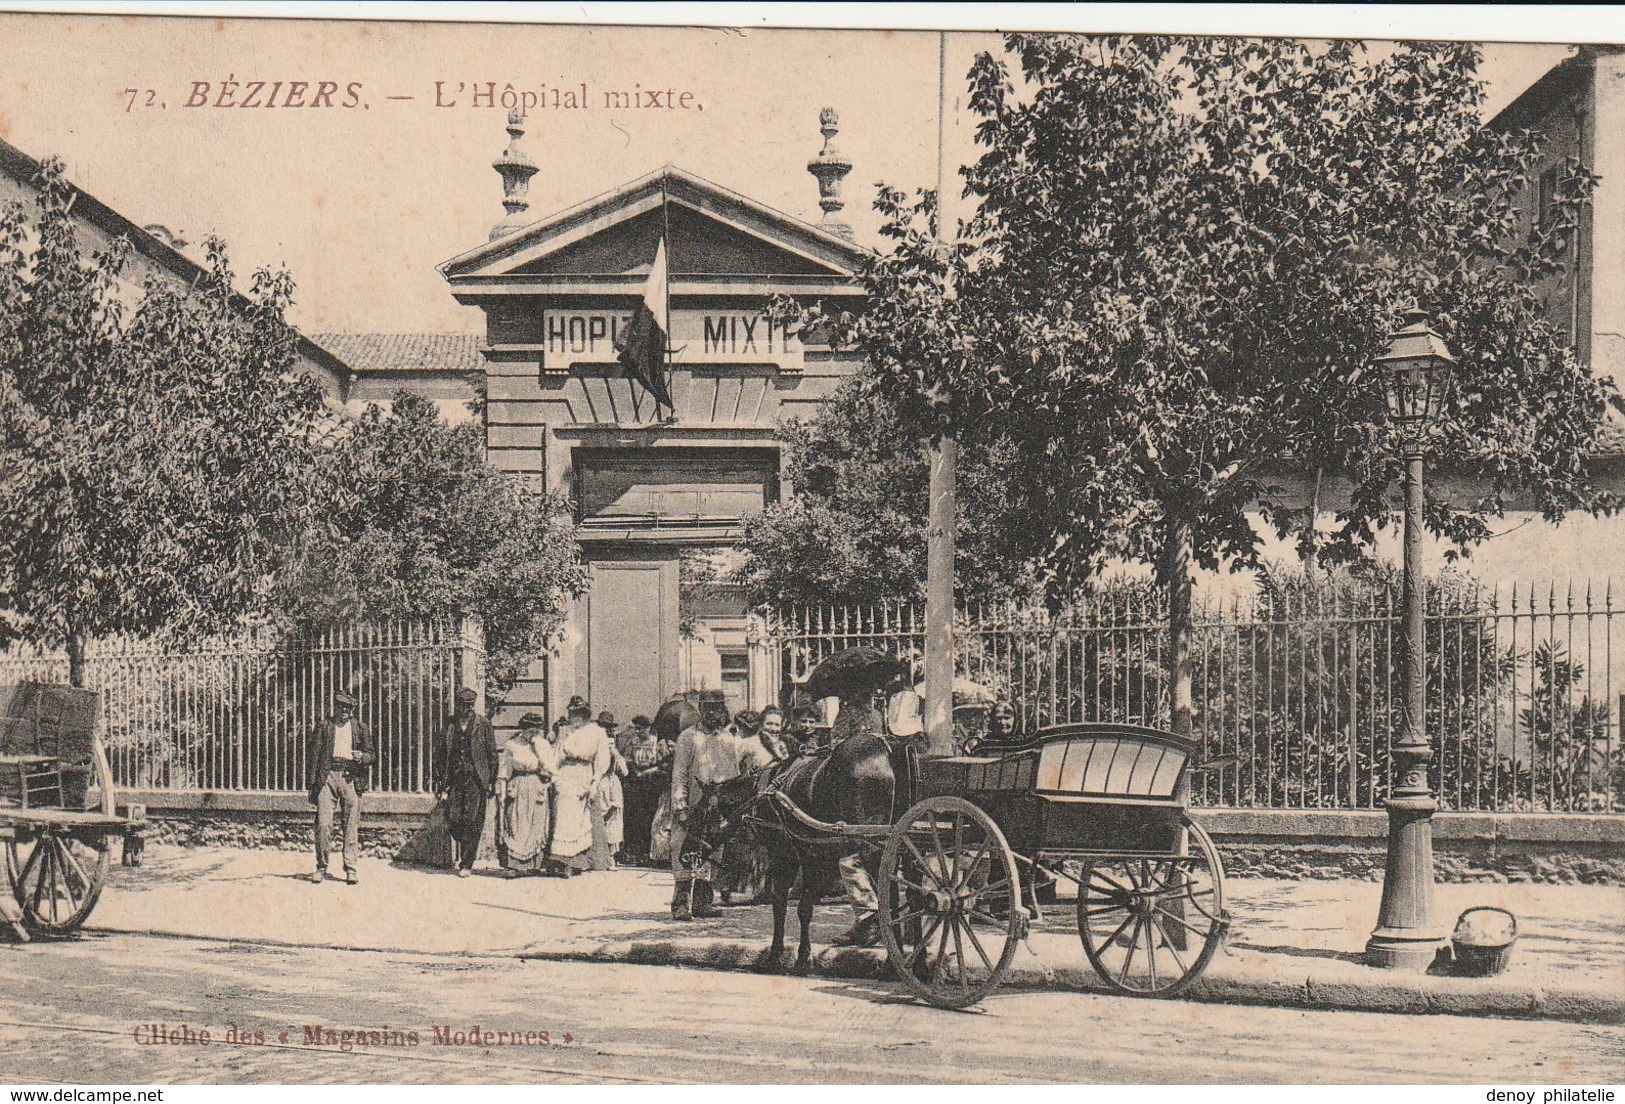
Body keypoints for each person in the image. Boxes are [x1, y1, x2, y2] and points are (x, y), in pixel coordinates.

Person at [668, 693, 739, 920]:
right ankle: (680, 905)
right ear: (701, 709)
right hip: (693, 804)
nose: (712, 713)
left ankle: (702, 903)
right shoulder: (688, 737)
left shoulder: (728, 739)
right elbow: (679, 773)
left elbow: (734, 773)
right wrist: (680, 806)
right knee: (684, 850)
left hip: (718, 805)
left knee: (711, 852)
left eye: (717, 708)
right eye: (707, 708)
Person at [306, 690, 375, 886]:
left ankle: (351, 868)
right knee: (323, 824)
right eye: (341, 706)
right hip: (327, 776)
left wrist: (363, 757)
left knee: (351, 825)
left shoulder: (361, 728)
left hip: (351, 777)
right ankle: (321, 867)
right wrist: (312, 786)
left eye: (348, 707)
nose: (344, 710)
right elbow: (314, 756)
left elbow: (372, 754)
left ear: (352, 709)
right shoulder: (324, 727)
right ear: (334, 707)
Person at [434, 688, 498, 878]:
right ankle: (464, 850)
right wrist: (440, 780)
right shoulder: (449, 724)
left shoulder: (483, 724)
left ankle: (466, 863)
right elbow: (441, 754)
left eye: (471, 705)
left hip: (476, 780)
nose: (468, 709)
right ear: (457, 705)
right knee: (453, 817)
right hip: (454, 779)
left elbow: (492, 753)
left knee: (472, 820)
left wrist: (491, 780)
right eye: (464, 705)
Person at [552, 696, 614, 875]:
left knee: (583, 819)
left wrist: (595, 780)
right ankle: (563, 861)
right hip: (565, 774)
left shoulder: (597, 732)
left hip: (584, 773)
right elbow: (556, 754)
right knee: (564, 817)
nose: (573, 717)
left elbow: (602, 759)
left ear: (584, 715)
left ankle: (580, 860)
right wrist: (554, 774)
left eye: (577, 714)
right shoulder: (565, 731)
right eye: (572, 713)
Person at [496, 712, 556, 877]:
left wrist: (540, 751)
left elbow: (550, 769)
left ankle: (534, 865)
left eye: (536, 731)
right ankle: (514, 866)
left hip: (536, 786)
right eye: (530, 731)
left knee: (536, 826)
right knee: (516, 824)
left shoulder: (543, 745)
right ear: (523, 729)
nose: (533, 734)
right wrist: (502, 788)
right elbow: (504, 769)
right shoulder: (512, 745)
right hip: (518, 787)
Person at [617, 714, 668, 865]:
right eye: (636, 729)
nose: (638, 732)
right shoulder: (633, 742)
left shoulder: (655, 743)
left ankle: (647, 853)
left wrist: (647, 772)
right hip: (636, 782)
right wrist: (634, 770)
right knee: (634, 819)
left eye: (641, 729)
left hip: (651, 782)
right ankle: (634, 853)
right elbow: (628, 760)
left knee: (648, 818)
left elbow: (662, 764)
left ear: (648, 728)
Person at [596, 711, 628, 868]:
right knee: (599, 816)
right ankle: (599, 855)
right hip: (599, 780)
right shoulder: (594, 742)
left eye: (607, 727)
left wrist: (615, 754)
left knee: (613, 817)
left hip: (610, 782)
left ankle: (611, 855)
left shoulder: (612, 745)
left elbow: (624, 770)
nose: (605, 730)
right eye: (602, 726)